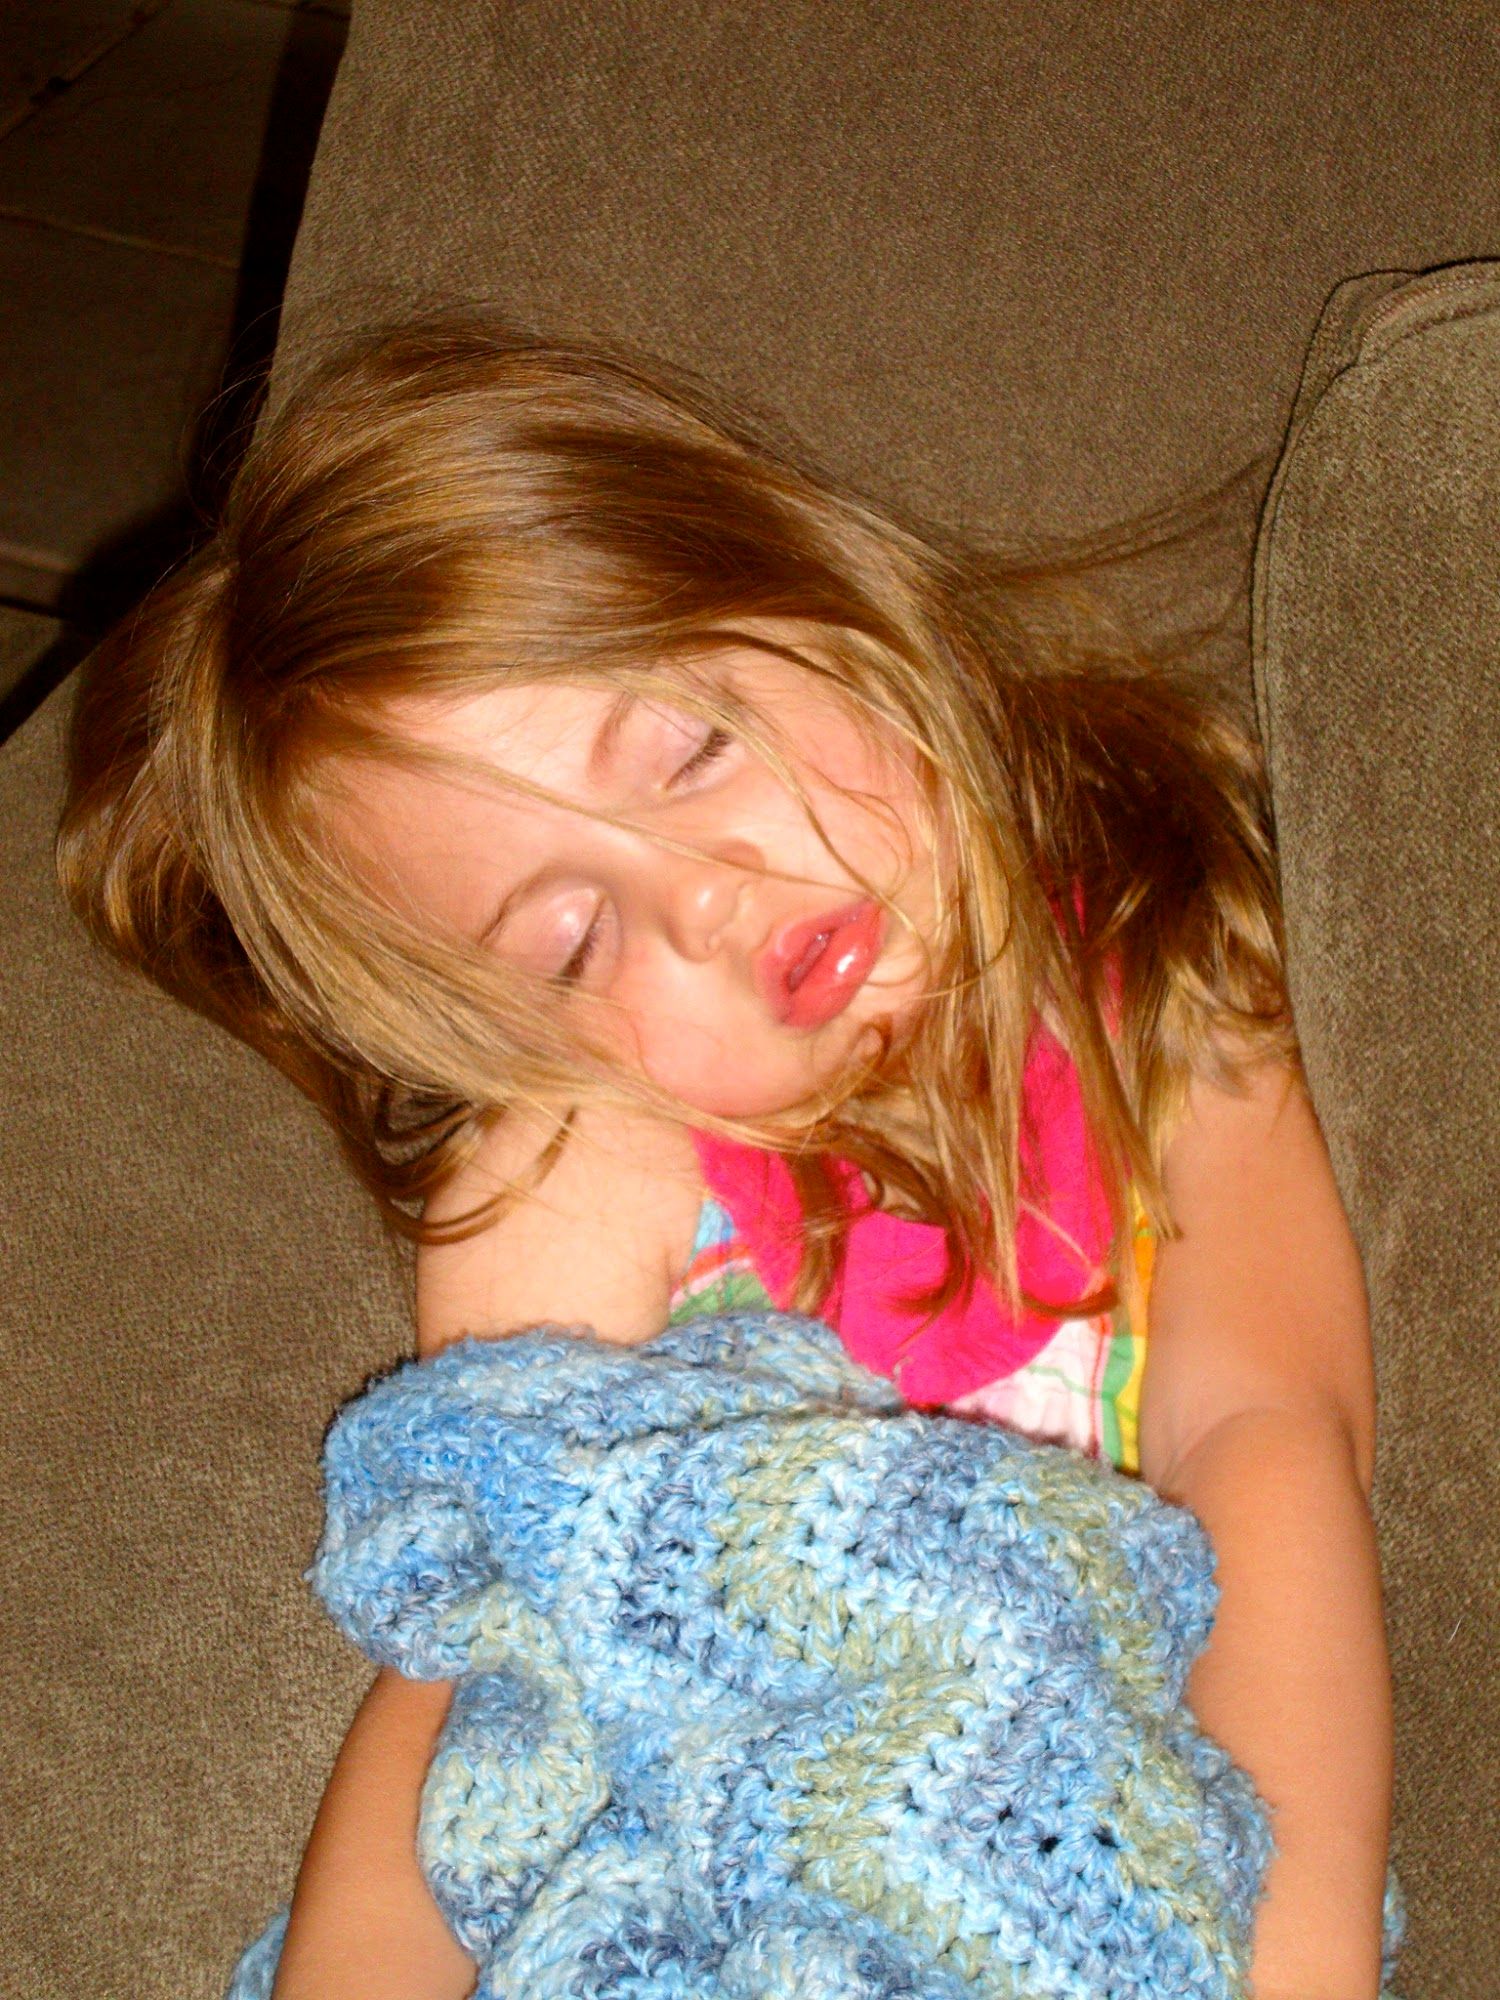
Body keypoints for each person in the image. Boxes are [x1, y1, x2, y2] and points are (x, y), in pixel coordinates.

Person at [59, 322, 1391, 2000]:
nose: (704, 898)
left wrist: (1302, 1957)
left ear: (819, 593)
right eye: (566, 944)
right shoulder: (586, 1150)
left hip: (1090, 1844)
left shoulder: (1168, 970)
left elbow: (1269, 1438)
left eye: (692, 748)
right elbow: (489, 1628)